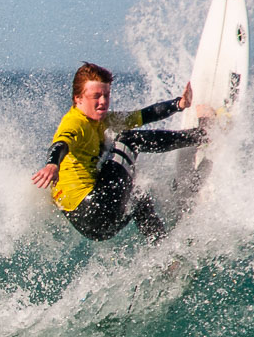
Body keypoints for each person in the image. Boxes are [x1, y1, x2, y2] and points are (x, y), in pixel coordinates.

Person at [31, 62, 211, 242]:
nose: (103, 102)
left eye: (106, 95)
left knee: (137, 196)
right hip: (95, 208)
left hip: (92, 227)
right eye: (96, 96)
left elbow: (142, 116)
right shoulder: (75, 123)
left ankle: (164, 249)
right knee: (128, 140)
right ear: (78, 99)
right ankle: (201, 135)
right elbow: (61, 143)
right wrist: (52, 164)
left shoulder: (100, 120)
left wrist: (179, 104)